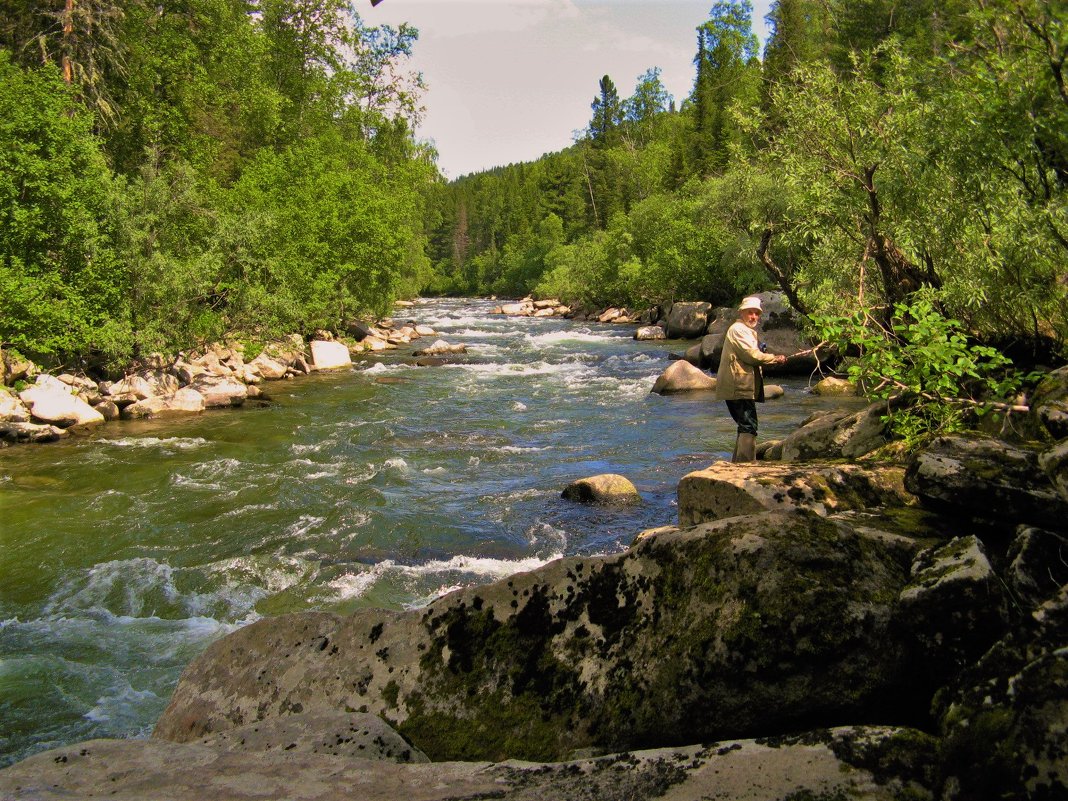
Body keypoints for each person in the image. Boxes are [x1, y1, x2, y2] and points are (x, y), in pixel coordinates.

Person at [715, 296, 787, 462]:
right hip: (737, 384)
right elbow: (751, 355)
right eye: (750, 313)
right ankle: (745, 466)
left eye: (756, 313)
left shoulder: (744, 330)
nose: (754, 316)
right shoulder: (738, 330)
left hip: (739, 384)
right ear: (742, 313)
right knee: (749, 425)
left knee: (745, 425)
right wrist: (774, 358)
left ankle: (738, 463)